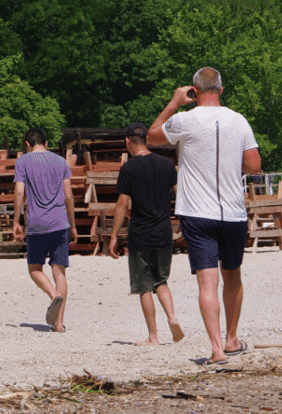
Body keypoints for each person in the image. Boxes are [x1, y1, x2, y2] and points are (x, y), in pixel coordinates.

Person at [148, 67, 261, 365]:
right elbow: (254, 165)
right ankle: (232, 338)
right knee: (233, 276)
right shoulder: (239, 121)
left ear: (194, 92)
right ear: (221, 90)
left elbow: (151, 137)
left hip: (197, 213)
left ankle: (216, 349)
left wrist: (173, 103)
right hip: (233, 212)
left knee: (207, 283)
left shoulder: (184, 119)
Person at [108, 122, 185, 346]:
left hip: (140, 234)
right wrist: (183, 221)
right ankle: (172, 318)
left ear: (127, 141)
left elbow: (122, 203)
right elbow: (179, 195)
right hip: (163, 232)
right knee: (161, 281)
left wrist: (114, 235)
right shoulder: (167, 165)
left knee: (144, 287)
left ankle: (153, 336)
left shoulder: (128, 169)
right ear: (147, 140)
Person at [12, 128, 76, 332]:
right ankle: (59, 324)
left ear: (27, 144)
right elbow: (68, 196)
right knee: (60, 273)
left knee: (35, 269)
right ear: (47, 143)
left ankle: (53, 294)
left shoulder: (23, 161)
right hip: (60, 223)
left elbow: (19, 191)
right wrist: (73, 225)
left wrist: (16, 221)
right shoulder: (60, 161)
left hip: (36, 224)